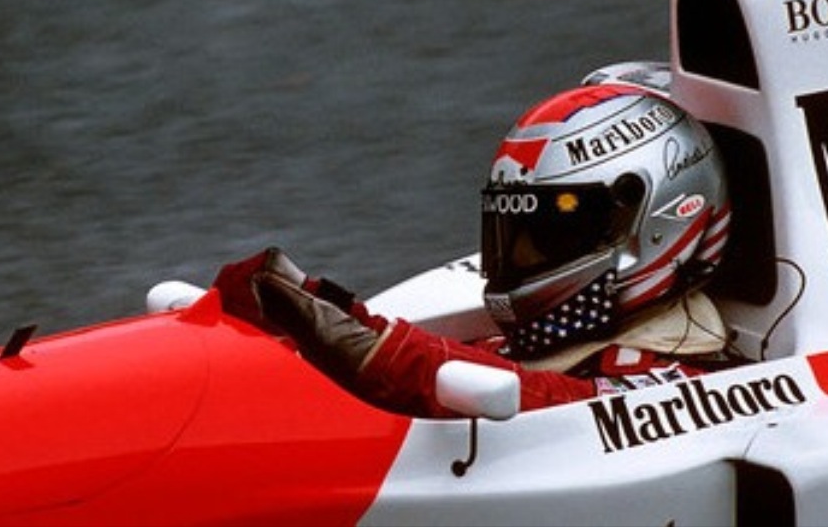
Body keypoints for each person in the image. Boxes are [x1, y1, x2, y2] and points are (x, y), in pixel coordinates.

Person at [212, 83, 733, 418]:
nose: (523, 253)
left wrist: (359, 343)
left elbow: (548, 404)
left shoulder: (675, 384)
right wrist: (316, 305)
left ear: (661, 223)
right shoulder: (534, 344)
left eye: (551, 232)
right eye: (515, 228)